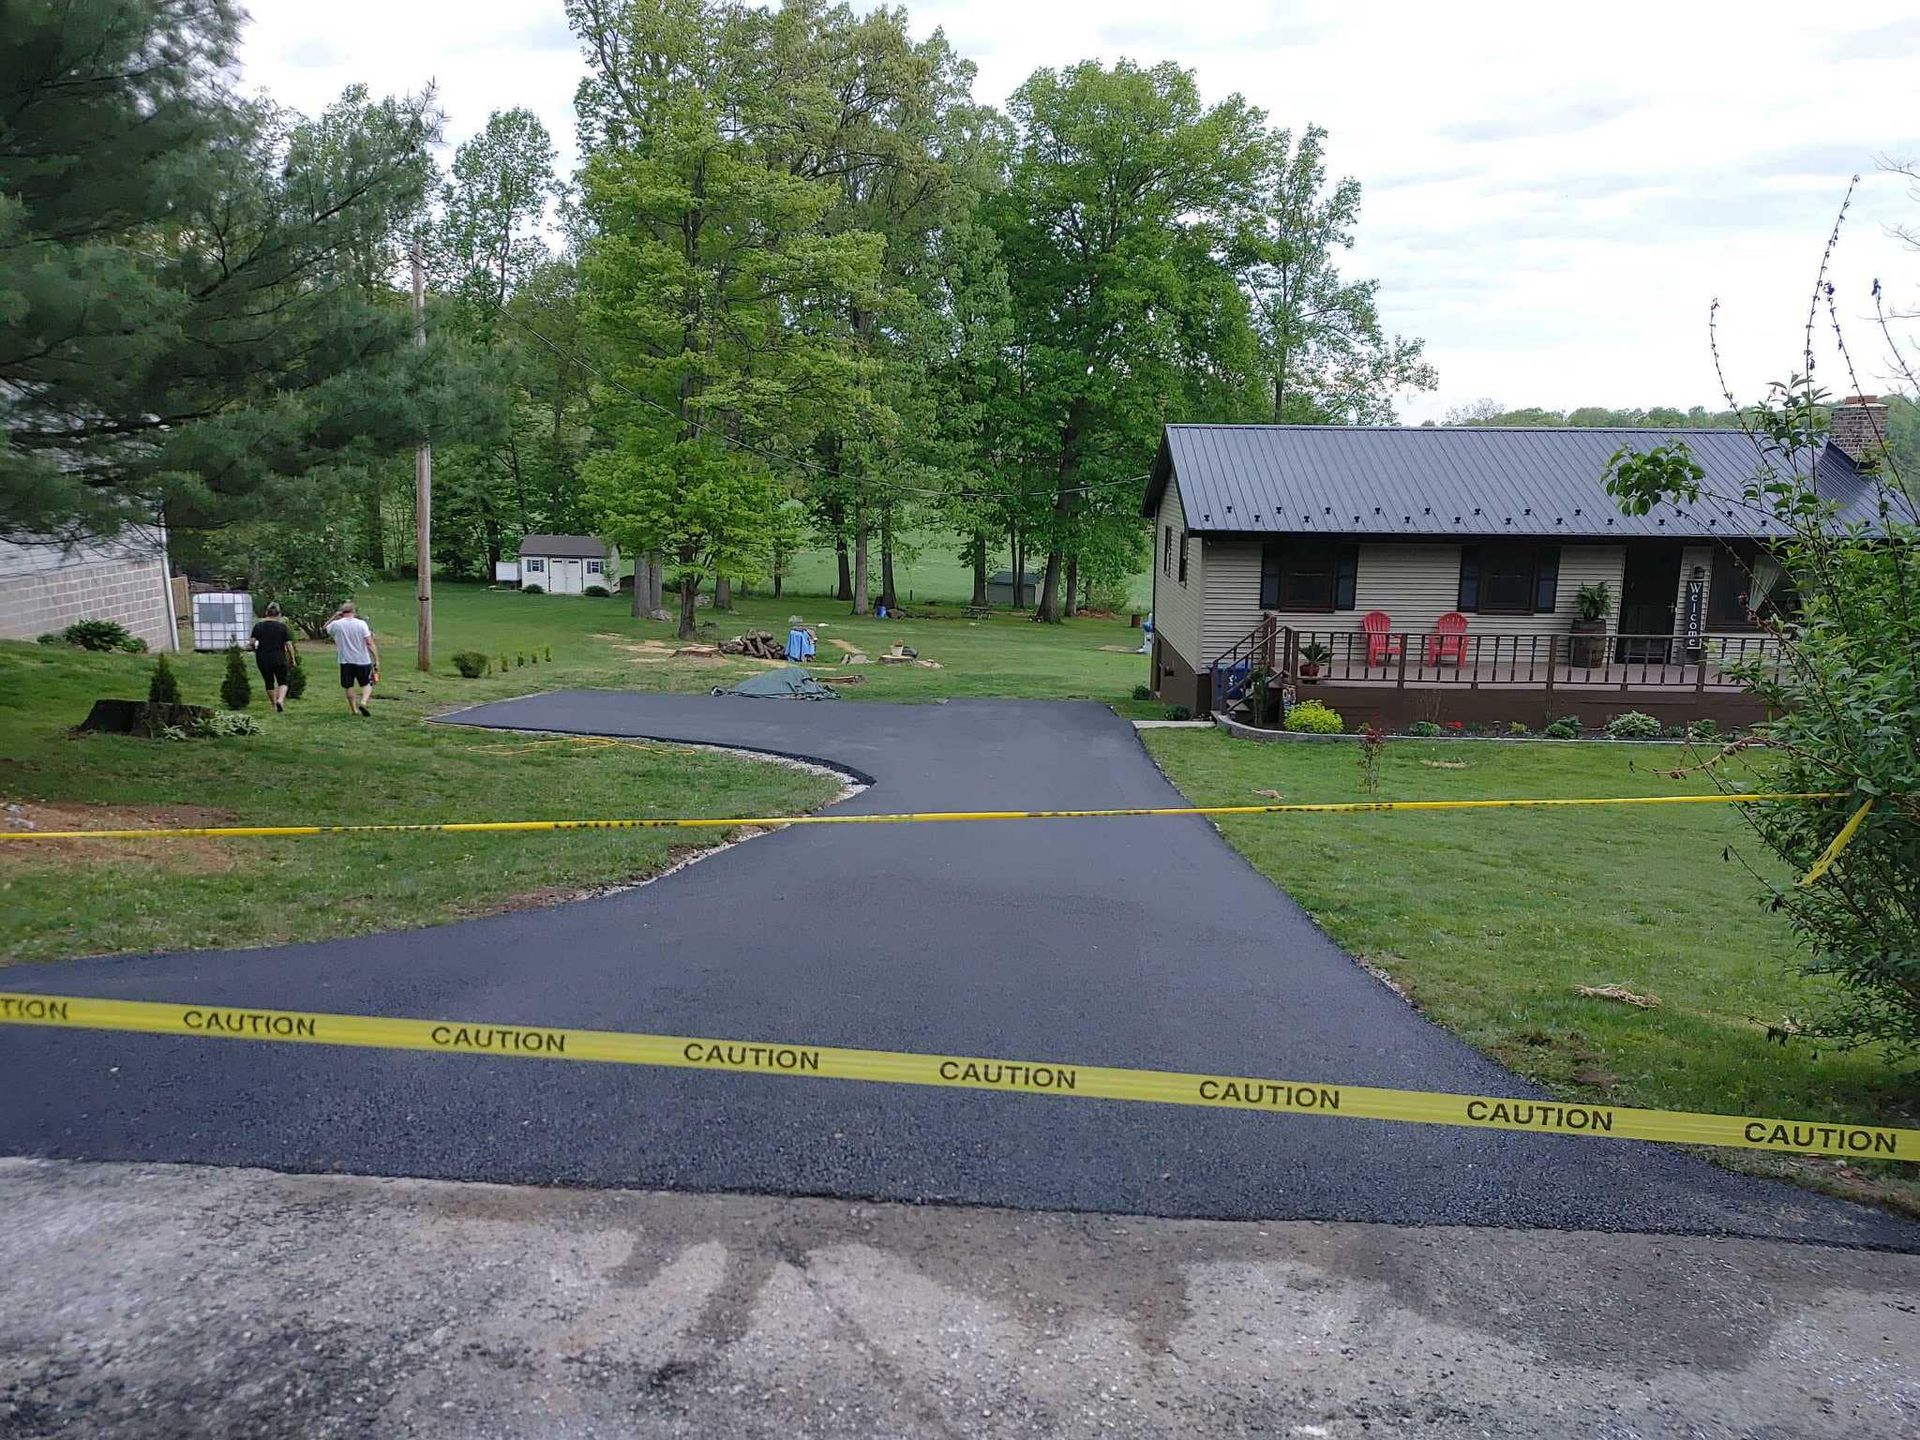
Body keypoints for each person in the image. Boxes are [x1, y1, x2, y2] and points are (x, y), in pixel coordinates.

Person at [324, 601, 380, 717]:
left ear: (341, 612)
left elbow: (325, 628)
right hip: (362, 659)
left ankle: (354, 709)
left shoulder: (337, 624)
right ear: (354, 611)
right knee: (367, 684)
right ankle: (363, 702)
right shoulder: (361, 624)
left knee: (348, 686)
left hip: (345, 660)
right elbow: (369, 643)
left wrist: (334, 617)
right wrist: (377, 660)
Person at [248, 602, 297, 712]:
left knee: (268, 681)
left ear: (266, 613)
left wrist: (253, 648)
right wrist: (292, 658)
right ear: (279, 614)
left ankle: (274, 705)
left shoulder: (259, 625)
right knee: (283, 681)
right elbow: (288, 644)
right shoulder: (282, 627)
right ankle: (280, 700)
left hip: (263, 657)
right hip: (279, 656)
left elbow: (252, 642)